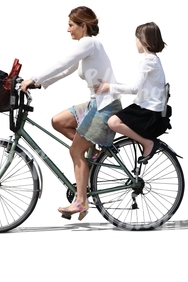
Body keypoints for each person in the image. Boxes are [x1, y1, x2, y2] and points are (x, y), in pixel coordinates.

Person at [20, 6, 122, 220]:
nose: (68, 30)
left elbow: (62, 62)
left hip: (104, 107)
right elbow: (67, 69)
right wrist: (39, 84)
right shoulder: (89, 47)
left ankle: (81, 202)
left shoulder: (89, 43)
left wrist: (34, 78)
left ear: (83, 26)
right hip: (96, 103)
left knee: (75, 152)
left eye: (71, 25)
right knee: (59, 121)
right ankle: (90, 147)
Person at [94, 22, 171, 164]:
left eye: (136, 38)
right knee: (113, 119)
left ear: (144, 40)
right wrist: (110, 85)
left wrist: (109, 87)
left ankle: (148, 143)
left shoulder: (148, 61)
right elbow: (135, 86)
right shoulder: (153, 60)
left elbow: (134, 88)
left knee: (113, 122)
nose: (135, 42)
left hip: (148, 112)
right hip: (148, 108)